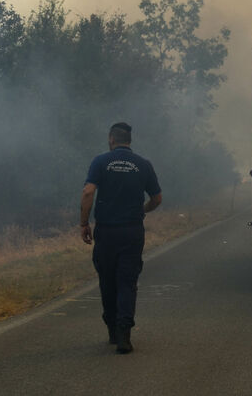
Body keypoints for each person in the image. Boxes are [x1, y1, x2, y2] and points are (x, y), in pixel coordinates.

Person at [80, 122, 162, 354]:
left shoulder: (100, 162)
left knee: (107, 281)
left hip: (106, 232)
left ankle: (112, 330)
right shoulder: (144, 165)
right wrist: (142, 210)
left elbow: (88, 192)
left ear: (111, 139)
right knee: (127, 282)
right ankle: (124, 334)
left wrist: (84, 223)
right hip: (132, 232)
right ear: (129, 141)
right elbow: (157, 198)